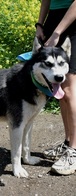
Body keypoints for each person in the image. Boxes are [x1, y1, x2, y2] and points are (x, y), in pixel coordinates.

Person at [35, 0, 76, 175]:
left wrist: (58, 32)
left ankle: (74, 150)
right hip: (54, 21)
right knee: (59, 89)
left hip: (72, 22)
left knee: (69, 89)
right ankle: (68, 142)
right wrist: (40, 24)